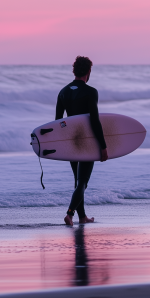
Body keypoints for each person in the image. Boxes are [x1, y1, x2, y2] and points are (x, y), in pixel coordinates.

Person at [55, 56, 108, 226]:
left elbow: (58, 122)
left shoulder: (63, 92)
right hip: (87, 142)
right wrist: (103, 146)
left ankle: (82, 217)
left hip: (71, 143)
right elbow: (94, 120)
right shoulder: (91, 92)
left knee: (78, 182)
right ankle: (70, 214)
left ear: (74, 71)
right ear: (88, 71)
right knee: (82, 182)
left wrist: (62, 145)